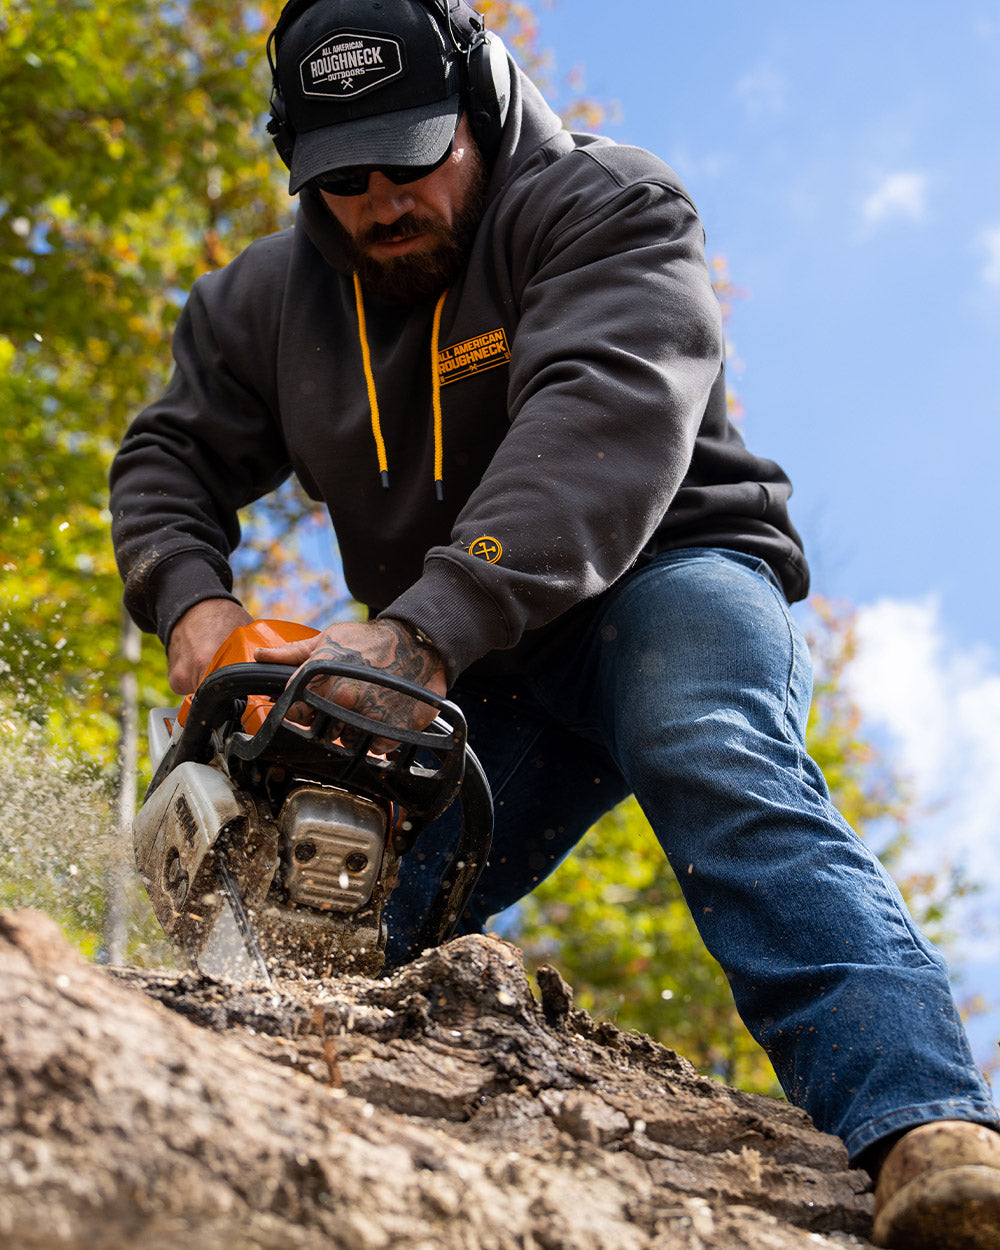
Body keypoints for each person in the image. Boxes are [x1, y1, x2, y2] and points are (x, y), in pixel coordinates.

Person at [109, 1, 1000, 1244]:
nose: (378, 204)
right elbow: (166, 456)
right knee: (321, 901)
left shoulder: (612, 206)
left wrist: (419, 632)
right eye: (341, 179)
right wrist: (192, 602)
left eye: (408, 161)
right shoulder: (263, 304)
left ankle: (926, 1128)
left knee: (708, 746)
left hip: (663, 569)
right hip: (473, 656)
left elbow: (601, 424)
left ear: (476, 106)